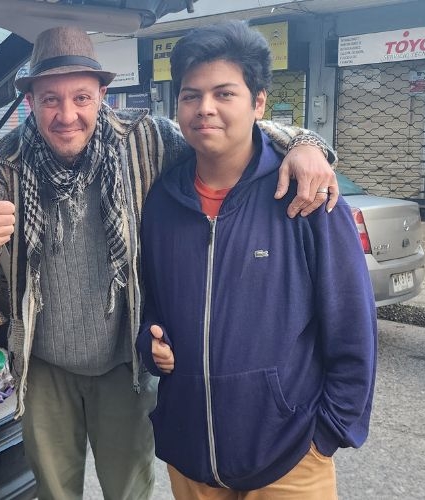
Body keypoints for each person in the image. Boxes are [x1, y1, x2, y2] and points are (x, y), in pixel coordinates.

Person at [0, 25, 337, 500]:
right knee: (54, 492)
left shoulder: (146, 140)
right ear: (31, 101)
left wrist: (305, 143)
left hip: (123, 364)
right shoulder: (3, 163)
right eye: (50, 100)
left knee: (128, 491)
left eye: (81, 98)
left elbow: (224, 134)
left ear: (102, 96)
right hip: (44, 368)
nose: (67, 115)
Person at [136, 21, 377, 500]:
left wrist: (327, 434)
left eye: (224, 93)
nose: (205, 108)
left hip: (290, 458)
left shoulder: (306, 198)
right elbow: (153, 305)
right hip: (191, 455)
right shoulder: (162, 202)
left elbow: (352, 323)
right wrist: (151, 342)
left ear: (259, 103)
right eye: (191, 95)